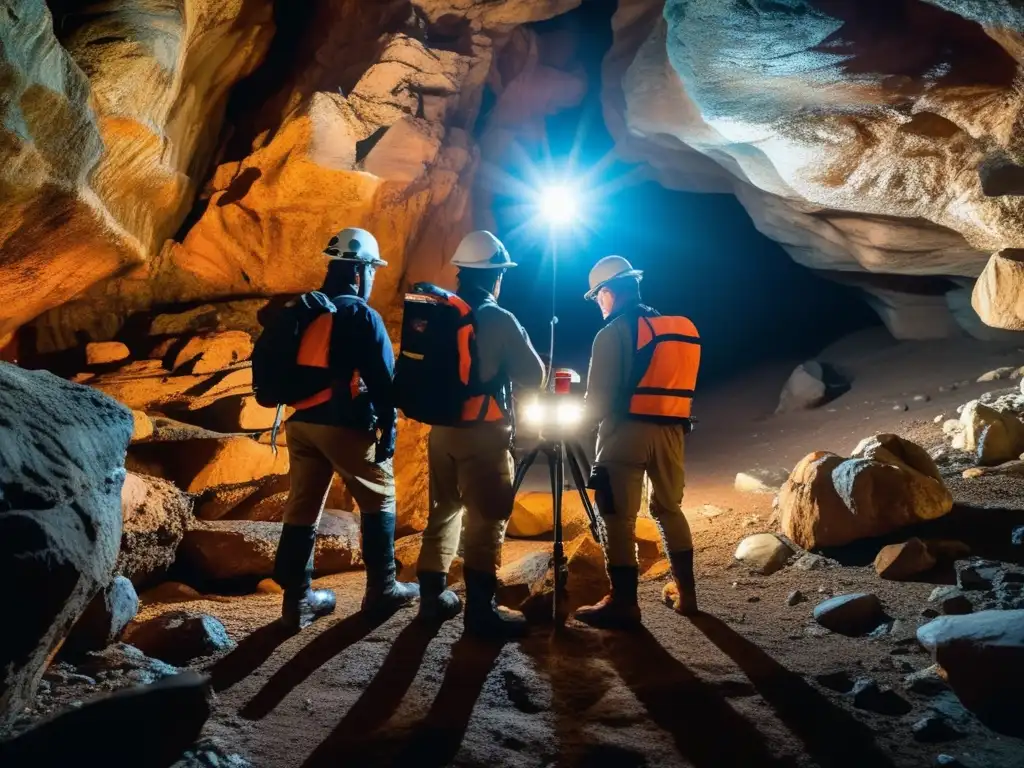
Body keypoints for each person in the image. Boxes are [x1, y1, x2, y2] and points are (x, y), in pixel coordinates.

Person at [272, 227, 419, 629]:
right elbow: (384, 381)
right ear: (359, 271)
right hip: (343, 425)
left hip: (301, 424)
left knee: (302, 506)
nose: (372, 278)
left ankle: (298, 600)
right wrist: (389, 429)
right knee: (380, 497)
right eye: (371, 270)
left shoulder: (310, 308)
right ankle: (383, 589)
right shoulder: (360, 314)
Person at [416, 230, 545, 638]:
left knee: (444, 511)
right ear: (496, 277)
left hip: (441, 431)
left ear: (460, 273)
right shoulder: (497, 318)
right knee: (487, 520)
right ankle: (481, 613)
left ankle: (432, 601)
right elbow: (534, 376)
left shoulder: (438, 312)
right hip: (483, 434)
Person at [573, 255, 701, 629]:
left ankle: (624, 603)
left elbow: (597, 402)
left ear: (609, 293)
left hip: (624, 435)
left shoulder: (611, 334)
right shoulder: (678, 329)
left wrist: (571, 425)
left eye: (598, 296)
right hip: (673, 434)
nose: (599, 304)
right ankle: (688, 595)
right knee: (669, 510)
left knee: (617, 516)